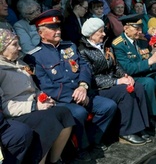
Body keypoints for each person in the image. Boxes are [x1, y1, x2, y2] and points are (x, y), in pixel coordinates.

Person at [24, 9, 117, 162]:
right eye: (52, 28)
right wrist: (74, 97)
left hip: (82, 92)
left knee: (109, 106)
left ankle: (92, 141)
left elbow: (84, 67)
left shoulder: (70, 46)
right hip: (61, 100)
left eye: (58, 27)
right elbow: (46, 86)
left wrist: (83, 87)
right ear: (41, 33)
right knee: (78, 113)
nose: (58, 31)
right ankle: (79, 150)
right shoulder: (34, 56)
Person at [0, 28, 75, 164]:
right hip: (18, 112)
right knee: (48, 120)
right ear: (2, 48)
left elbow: (34, 89)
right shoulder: (0, 69)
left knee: (64, 113)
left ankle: (55, 160)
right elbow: (4, 105)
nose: (20, 47)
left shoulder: (20, 64)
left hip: (35, 106)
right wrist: (35, 105)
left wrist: (43, 97)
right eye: (14, 44)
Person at [78, 18, 150, 145]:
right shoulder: (83, 51)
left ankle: (142, 126)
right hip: (98, 88)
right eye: (100, 32)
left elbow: (115, 66)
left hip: (112, 81)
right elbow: (92, 77)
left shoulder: (106, 45)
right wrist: (117, 82)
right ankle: (126, 132)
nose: (104, 34)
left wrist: (125, 76)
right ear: (92, 34)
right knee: (124, 92)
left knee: (137, 87)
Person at [112, 13, 156, 134]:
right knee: (149, 82)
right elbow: (127, 68)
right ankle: (152, 117)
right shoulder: (118, 44)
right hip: (131, 77)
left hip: (146, 73)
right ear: (126, 28)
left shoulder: (142, 41)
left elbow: (151, 62)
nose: (140, 31)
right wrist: (150, 61)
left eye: (141, 28)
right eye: (137, 28)